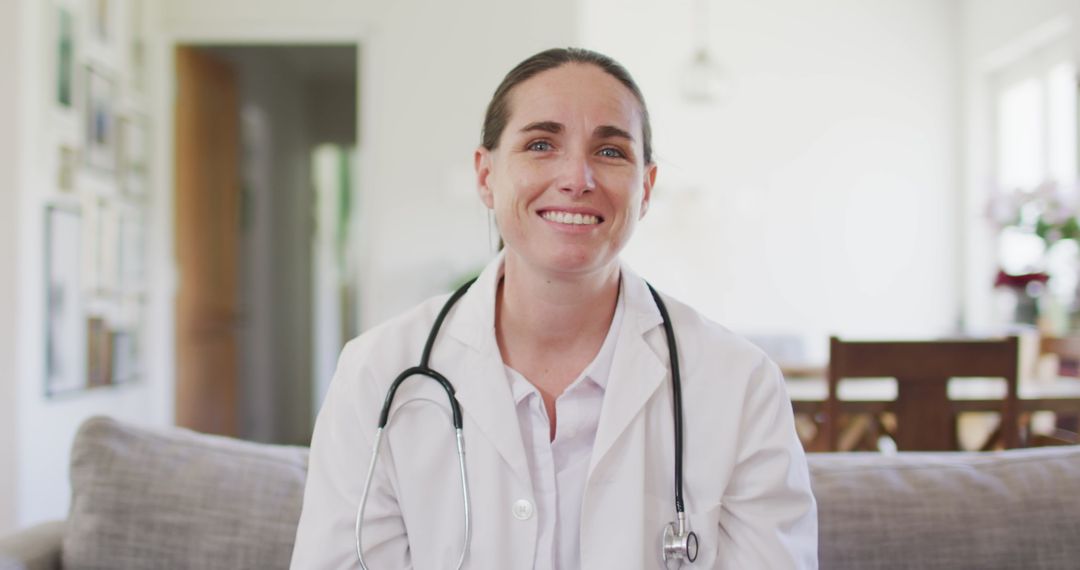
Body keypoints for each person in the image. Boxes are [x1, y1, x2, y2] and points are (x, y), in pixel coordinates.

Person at [291, 47, 817, 569]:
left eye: (610, 152)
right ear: (485, 176)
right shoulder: (376, 373)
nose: (577, 178)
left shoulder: (740, 385)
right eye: (542, 144)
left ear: (646, 189)